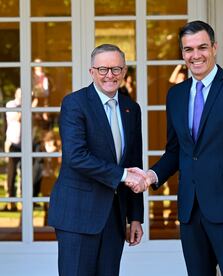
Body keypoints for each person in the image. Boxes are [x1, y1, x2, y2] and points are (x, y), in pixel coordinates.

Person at [138, 20, 223, 276]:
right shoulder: (176, 96)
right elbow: (176, 151)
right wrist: (152, 176)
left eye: (202, 47)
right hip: (190, 210)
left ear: (215, 48)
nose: (196, 55)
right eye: (188, 50)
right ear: (182, 53)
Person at [48, 44, 148, 276]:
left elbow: (133, 161)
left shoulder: (131, 109)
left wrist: (135, 217)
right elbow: (76, 156)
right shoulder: (75, 103)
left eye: (116, 69)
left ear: (124, 72)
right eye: (103, 69)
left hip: (114, 217)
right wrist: (123, 176)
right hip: (77, 214)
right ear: (92, 72)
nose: (109, 75)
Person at [4, 88, 22, 211]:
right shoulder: (10, 104)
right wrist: (29, 106)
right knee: (11, 174)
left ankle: (22, 200)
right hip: (13, 143)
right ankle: (10, 201)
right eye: (20, 94)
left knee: (24, 175)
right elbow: (15, 117)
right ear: (16, 94)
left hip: (25, 144)